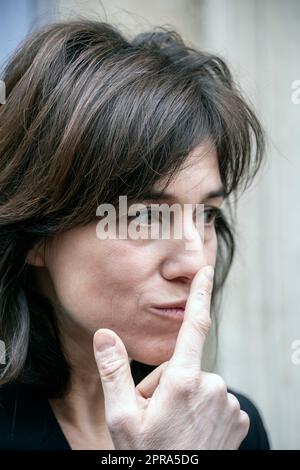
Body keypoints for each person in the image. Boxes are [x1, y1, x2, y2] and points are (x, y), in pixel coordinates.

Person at [0, 19, 270, 450]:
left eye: (208, 215)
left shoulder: (228, 428)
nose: (196, 263)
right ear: (36, 234)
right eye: (145, 216)